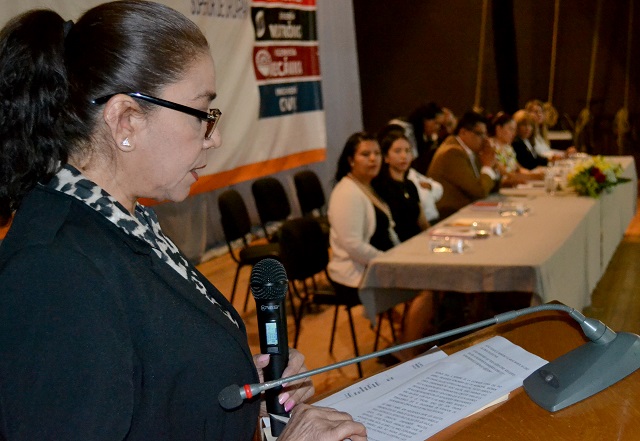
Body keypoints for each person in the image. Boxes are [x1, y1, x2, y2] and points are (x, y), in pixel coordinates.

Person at [0, 2, 367, 441]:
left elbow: (147, 387)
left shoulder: (123, 223)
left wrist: (233, 385)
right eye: (202, 115)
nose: (215, 138)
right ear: (125, 121)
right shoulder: (52, 270)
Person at [327, 132, 399, 300]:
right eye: (366, 154)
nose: (373, 159)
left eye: (377, 153)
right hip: (356, 274)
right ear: (351, 160)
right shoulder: (346, 193)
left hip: (378, 264)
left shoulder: (369, 186)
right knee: (425, 287)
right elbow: (353, 245)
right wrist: (388, 262)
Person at [426, 111, 499, 219]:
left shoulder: (471, 151)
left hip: (467, 211)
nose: (484, 139)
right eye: (479, 134)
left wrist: (492, 163)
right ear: (463, 132)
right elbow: (480, 191)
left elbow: (492, 188)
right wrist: (487, 166)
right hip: (450, 215)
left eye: (485, 134)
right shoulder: (452, 153)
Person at [373, 130, 429, 242]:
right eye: (398, 151)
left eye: (407, 151)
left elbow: (423, 222)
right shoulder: (381, 187)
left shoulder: (410, 185)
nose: (404, 156)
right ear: (386, 157)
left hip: (419, 241)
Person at [489, 112, 543, 186]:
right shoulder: (490, 147)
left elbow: (518, 168)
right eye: (510, 129)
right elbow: (505, 174)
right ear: (498, 129)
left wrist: (533, 173)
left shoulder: (508, 147)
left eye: (514, 130)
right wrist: (534, 176)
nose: (513, 134)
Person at [408, 102, 444, 174]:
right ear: (424, 119)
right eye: (436, 123)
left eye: (440, 124)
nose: (437, 127)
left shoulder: (429, 138)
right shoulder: (406, 131)